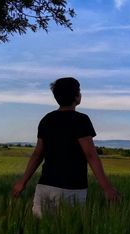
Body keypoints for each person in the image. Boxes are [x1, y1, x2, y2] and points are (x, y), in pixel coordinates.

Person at [11, 77, 120, 217]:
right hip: (71, 188)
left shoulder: (46, 119)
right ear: (76, 97)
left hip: (45, 186)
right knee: (68, 232)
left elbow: (37, 154)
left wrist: (22, 182)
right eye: (79, 91)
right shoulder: (81, 120)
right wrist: (107, 188)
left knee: (41, 230)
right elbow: (91, 155)